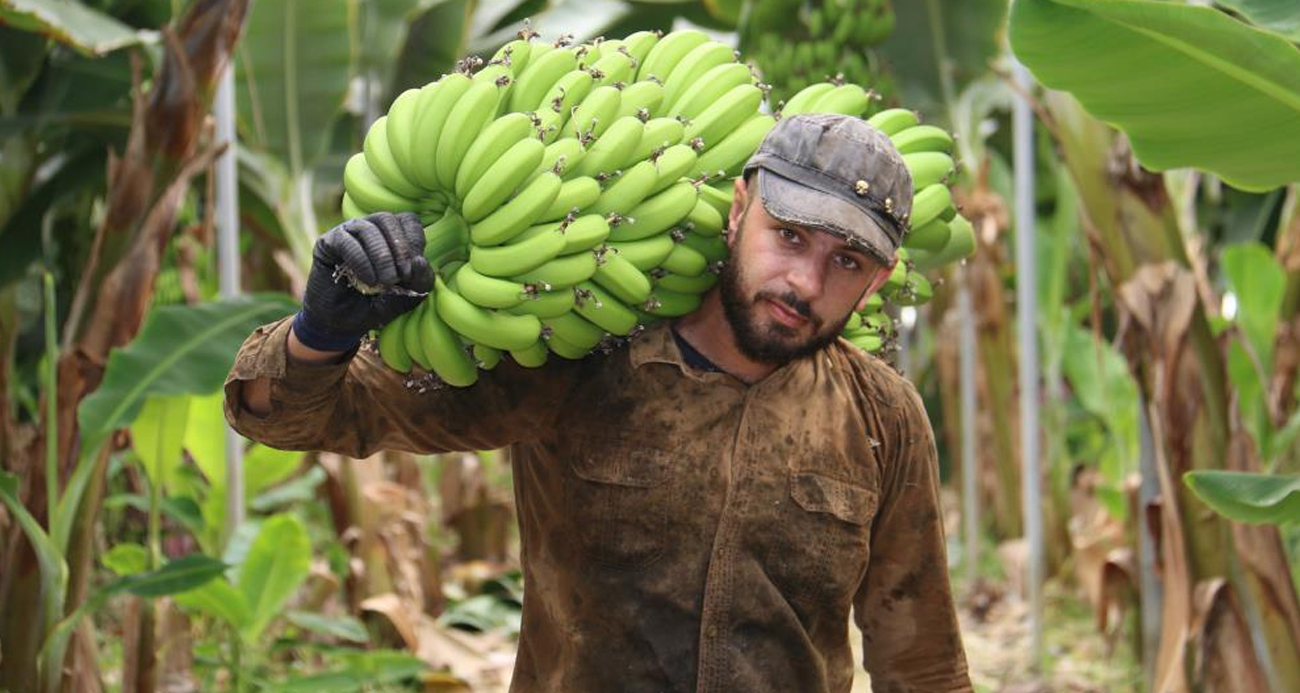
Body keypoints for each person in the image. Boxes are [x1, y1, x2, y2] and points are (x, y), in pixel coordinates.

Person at [225, 113, 973, 693]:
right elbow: (304, 412)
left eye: (845, 262)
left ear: (878, 282)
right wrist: (320, 331)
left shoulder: (880, 416)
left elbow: (923, 658)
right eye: (790, 236)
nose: (804, 283)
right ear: (739, 210)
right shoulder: (580, 351)